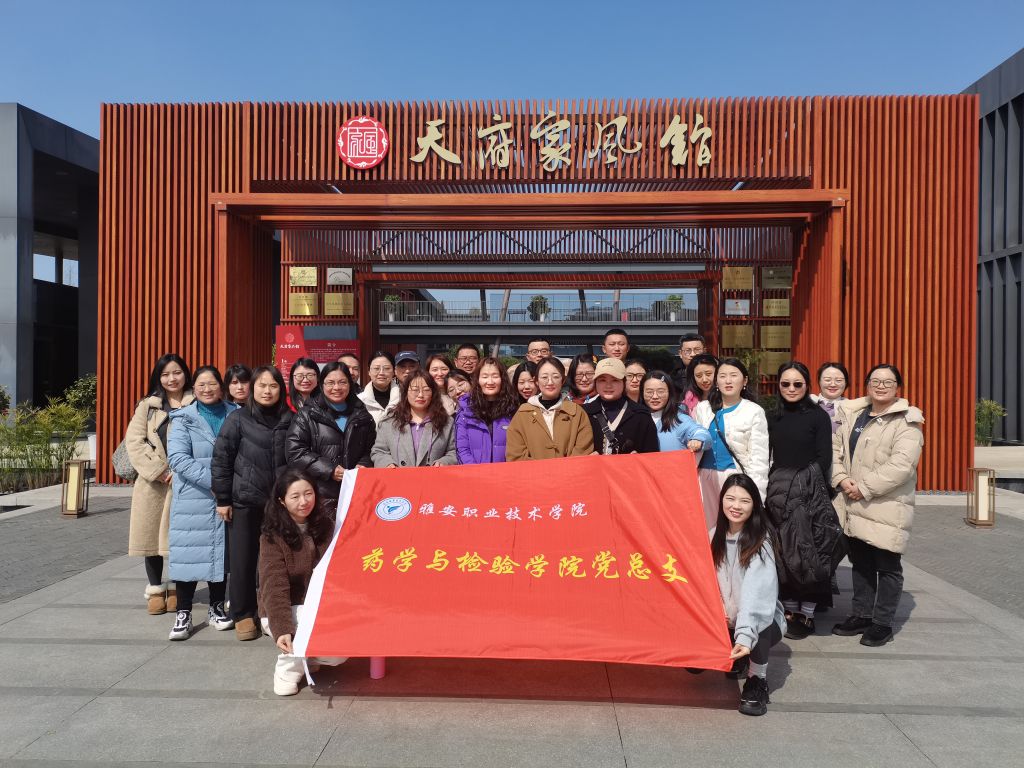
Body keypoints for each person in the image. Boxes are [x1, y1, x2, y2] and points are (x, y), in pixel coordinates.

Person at [831, 364, 924, 647]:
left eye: (888, 382)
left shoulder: (906, 420)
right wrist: (841, 478)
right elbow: (836, 450)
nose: (881, 386)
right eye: (875, 381)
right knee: (860, 563)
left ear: (898, 387)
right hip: (852, 501)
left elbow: (902, 465)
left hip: (885, 505)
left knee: (886, 566)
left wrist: (864, 487)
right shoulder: (854, 415)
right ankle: (861, 614)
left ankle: (882, 623)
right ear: (867, 384)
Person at [211, 365, 293, 641]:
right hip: (244, 501)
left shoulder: (291, 419)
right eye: (262, 385)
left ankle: (271, 612)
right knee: (242, 560)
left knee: (277, 561)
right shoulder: (237, 419)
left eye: (273, 386)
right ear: (252, 389)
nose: (267, 391)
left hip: (280, 504)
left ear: (281, 389)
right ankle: (243, 614)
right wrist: (223, 498)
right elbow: (221, 459)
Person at [765, 362, 843, 640]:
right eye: (785, 384)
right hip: (778, 494)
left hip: (808, 492)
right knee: (784, 552)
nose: (791, 389)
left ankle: (807, 613)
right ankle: (788, 609)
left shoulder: (818, 416)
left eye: (797, 384)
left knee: (810, 552)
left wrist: (801, 483)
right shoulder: (771, 416)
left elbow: (824, 457)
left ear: (807, 385)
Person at [166, 365, 237, 640]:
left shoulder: (236, 414)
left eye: (212, 384)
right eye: (201, 385)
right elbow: (178, 458)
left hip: (226, 498)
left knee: (220, 553)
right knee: (189, 554)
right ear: (193, 389)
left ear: (222, 386)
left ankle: (216, 608)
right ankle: (183, 613)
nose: (207, 389)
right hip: (194, 498)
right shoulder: (183, 418)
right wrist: (217, 482)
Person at [258, 470, 343, 696]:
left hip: (320, 607)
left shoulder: (327, 526)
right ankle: (287, 668)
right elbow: (273, 585)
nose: (304, 501)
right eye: (295, 496)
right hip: (284, 610)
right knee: (307, 620)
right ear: (282, 501)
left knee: (339, 654)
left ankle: (307, 655)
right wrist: (282, 629)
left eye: (308, 493)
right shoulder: (272, 537)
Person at [710, 474, 787, 717]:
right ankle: (739, 656)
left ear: (754, 505)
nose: (736, 506)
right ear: (721, 501)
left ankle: (757, 680)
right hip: (726, 619)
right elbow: (704, 582)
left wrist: (744, 636)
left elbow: (757, 598)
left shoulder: (760, 543)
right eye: (730, 498)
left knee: (758, 624)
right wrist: (716, 610)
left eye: (744, 501)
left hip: (762, 621)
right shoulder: (712, 536)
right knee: (694, 666)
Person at [126, 353, 194, 615]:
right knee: (151, 537)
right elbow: (134, 442)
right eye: (165, 374)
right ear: (158, 378)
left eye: (176, 372)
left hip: (184, 483)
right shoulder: (148, 406)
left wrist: (183, 470)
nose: (171, 379)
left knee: (179, 538)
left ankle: (177, 587)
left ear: (185, 374)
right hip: (152, 483)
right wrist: (159, 470)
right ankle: (155, 589)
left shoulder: (196, 402)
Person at [286, 362, 376, 518]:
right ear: (321, 385)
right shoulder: (307, 414)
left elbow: (373, 448)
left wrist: (364, 464)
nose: (336, 387)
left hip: (356, 493)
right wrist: (329, 469)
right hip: (319, 495)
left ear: (350, 384)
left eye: (342, 382)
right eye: (330, 383)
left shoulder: (362, 414)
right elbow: (295, 452)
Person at [693, 358, 769, 530]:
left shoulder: (754, 411)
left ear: (745, 380)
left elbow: (759, 458)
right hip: (704, 478)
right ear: (716, 381)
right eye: (722, 376)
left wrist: (757, 495)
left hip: (734, 478)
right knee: (706, 529)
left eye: (734, 375)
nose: (728, 380)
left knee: (734, 529)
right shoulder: (703, 408)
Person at [506, 356, 594, 460]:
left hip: (570, 470)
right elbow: (515, 455)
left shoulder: (577, 413)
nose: (550, 382)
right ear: (536, 381)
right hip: (533, 471)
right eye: (544, 377)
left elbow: (583, 451)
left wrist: (563, 468)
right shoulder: (522, 414)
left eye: (556, 377)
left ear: (563, 380)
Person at [371, 371, 458, 468]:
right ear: (405, 392)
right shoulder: (389, 422)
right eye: (415, 390)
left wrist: (444, 462)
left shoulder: (446, 422)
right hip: (397, 476)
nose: (420, 395)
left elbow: (454, 451)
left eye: (426, 390)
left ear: (433, 393)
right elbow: (379, 451)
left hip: (433, 476)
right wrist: (387, 463)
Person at [583, 358, 660, 455]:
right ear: (595, 383)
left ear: (624, 382)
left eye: (615, 380)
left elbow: (652, 455)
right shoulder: (584, 413)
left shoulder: (641, 415)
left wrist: (639, 458)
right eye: (602, 380)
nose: (608, 385)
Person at [455, 357, 519, 464]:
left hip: (505, 472)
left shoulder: (512, 409)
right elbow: (462, 449)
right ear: (477, 380)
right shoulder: (466, 411)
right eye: (485, 376)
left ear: (502, 379)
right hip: (474, 472)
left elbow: (518, 449)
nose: (490, 382)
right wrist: (477, 471)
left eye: (495, 376)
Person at [641, 370, 711, 454]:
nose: (655, 396)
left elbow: (699, 432)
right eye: (649, 392)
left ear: (669, 393)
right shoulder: (636, 417)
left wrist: (698, 439)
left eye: (660, 391)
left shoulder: (679, 419)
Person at [357, 351, 399, 425]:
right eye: (376, 368)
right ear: (369, 372)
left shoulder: (404, 398)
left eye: (387, 368)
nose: (381, 373)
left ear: (393, 372)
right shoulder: (359, 400)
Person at [812, 361, 850, 433]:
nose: (833, 384)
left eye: (838, 380)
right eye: (827, 380)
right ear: (819, 381)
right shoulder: (808, 404)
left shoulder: (852, 408)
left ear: (846, 383)